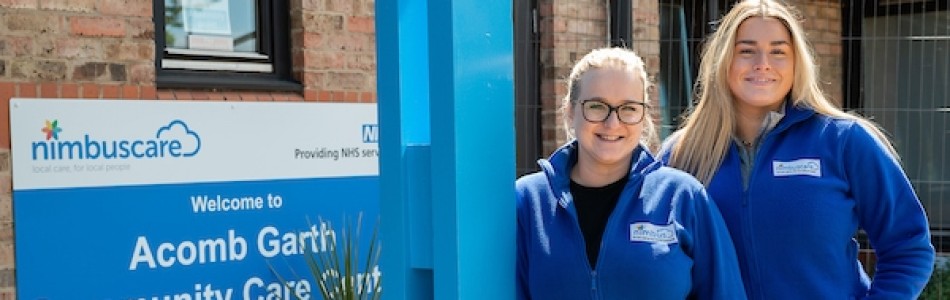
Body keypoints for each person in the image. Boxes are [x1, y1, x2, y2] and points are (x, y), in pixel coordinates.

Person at [659, 1, 935, 299]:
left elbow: (909, 247)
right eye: (746, 50)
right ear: (724, 60)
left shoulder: (843, 141)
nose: (762, 63)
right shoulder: (681, 154)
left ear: (796, 63)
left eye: (778, 51)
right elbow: (654, 258)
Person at [516, 47, 746, 299]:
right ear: (570, 111)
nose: (613, 123)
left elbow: (725, 292)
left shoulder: (683, 197)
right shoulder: (528, 201)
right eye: (596, 106)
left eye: (628, 108)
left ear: (644, 115)